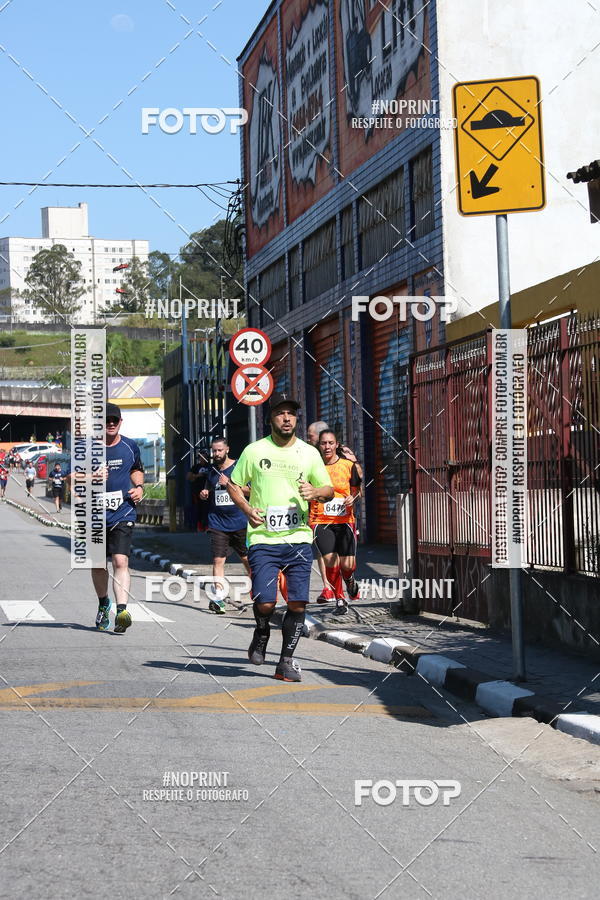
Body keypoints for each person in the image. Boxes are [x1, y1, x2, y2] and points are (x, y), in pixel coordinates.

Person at [228, 393, 334, 682]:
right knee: (265, 603)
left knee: (298, 603)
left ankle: (285, 661)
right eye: (280, 413)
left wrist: (316, 492)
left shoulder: (309, 453)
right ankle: (262, 631)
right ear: (270, 419)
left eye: (291, 413)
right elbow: (233, 484)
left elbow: (328, 490)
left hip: (298, 539)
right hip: (263, 539)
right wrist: (247, 509)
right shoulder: (254, 451)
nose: (287, 418)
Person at [68, 402, 144, 634]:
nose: (110, 424)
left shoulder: (130, 446)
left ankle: (122, 611)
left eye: (114, 420)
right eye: (106, 420)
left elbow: (136, 469)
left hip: (123, 511)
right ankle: (104, 603)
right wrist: (92, 476)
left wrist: (139, 487)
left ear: (120, 422)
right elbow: (71, 477)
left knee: (121, 561)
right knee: (99, 564)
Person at [306, 420, 363, 602]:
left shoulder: (347, 465)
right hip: (320, 520)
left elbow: (358, 491)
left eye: (331, 443)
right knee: (330, 560)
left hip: (344, 520)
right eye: (323, 443)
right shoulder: (312, 467)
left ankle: (350, 580)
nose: (327, 447)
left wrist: (352, 498)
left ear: (337, 444)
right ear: (319, 445)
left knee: (348, 565)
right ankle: (339, 598)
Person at [199, 437, 251, 614]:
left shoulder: (238, 467)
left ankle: (258, 590)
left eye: (220, 450)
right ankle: (219, 598)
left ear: (227, 449)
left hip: (239, 521)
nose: (216, 454)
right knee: (218, 560)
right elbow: (208, 489)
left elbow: (251, 490)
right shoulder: (211, 470)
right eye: (214, 451)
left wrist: (229, 483)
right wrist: (205, 493)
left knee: (247, 559)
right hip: (218, 523)